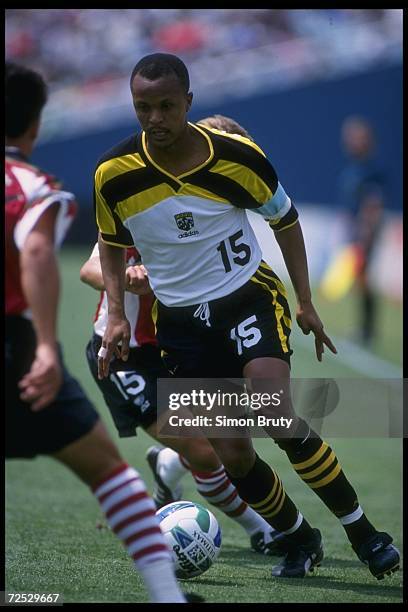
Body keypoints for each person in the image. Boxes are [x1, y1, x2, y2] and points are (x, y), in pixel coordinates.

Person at [93, 53, 399, 580]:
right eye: (144, 107)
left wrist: (304, 300)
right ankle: (300, 539)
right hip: (182, 326)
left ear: (188, 103)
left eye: (167, 106)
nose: (156, 118)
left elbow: (286, 219)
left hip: (246, 299)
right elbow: (111, 243)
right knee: (234, 454)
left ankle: (366, 534)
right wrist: (117, 312)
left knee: (273, 411)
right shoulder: (114, 174)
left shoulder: (238, 157)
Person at [5, 61, 203, 605]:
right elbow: (51, 256)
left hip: (182, 347)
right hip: (75, 353)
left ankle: (173, 465)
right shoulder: (35, 185)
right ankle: (172, 594)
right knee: (112, 472)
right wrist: (48, 345)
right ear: (35, 126)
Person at [79, 116, 288, 558]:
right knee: (208, 451)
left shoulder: (211, 208)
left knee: (234, 433)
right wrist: (128, 280)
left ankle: (169, 464)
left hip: (187, 343)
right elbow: (90, 266)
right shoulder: (141, 195)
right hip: (128, 355)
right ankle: (260, 529)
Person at [337, 116, 386, 346]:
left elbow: (373, 205)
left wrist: (365, 236)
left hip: (366, 232)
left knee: (364, 278)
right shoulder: (353, 168)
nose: (350, 142)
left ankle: (368, 330)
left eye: (355, 137)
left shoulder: (371, 169)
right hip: (355, 230)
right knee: (359, 279)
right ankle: (365, 328)